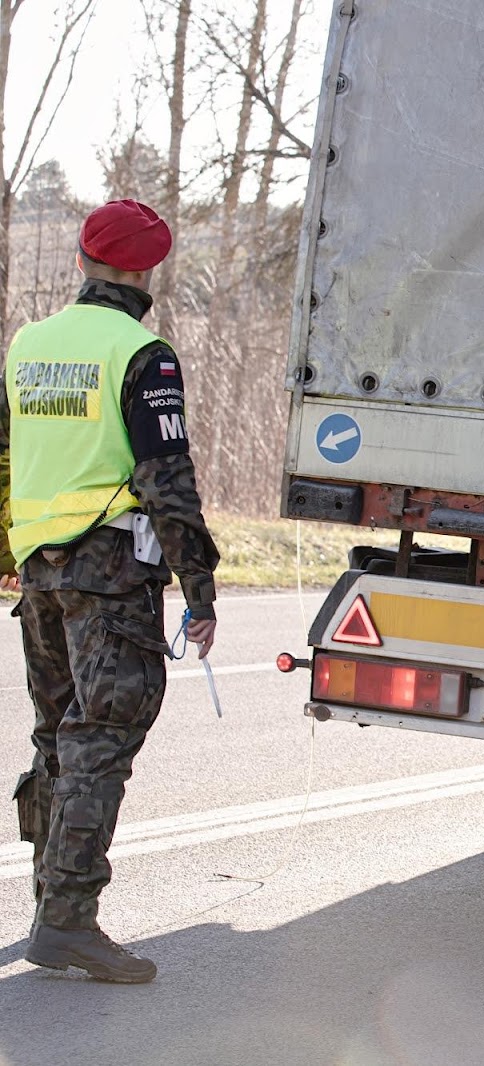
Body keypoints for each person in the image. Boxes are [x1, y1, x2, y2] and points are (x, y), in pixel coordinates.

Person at [3, 199, 220, 984]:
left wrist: (9, 550)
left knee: (58, 733)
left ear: (82, 260)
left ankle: (46, 903)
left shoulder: (29, 345)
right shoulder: (142, 354)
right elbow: (167, 482)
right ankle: (66, 921)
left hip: (39, 572)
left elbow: (5, 452)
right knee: (102, 737)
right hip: (109, 575)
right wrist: (200, 587)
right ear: (145, 269)